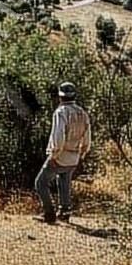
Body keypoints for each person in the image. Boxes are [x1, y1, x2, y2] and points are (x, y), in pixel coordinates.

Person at [35, 82, 91, 223]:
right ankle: (65, 211)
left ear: (60, 97)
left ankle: (49, 213)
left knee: (40, 183)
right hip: (74, 156)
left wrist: (54, 155)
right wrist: (82, 154)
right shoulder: (82, 113)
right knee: (64, 180)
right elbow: (87, 138)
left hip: (61, 154)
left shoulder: (60, 112)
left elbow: (58, 136)